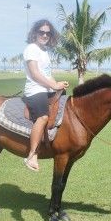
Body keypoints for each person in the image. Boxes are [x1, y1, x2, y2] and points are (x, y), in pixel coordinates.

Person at [22, 19, 69, 172]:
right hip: (35, 90)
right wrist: (53, 85)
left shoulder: (44, 52)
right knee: (43, 117)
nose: (45, 35)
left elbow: (47, 75)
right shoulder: (31, 48)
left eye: (48, 33)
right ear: (35, 33)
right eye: (42, 32)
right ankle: (32, 154)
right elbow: (35, 74)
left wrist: (58, 84)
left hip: (46, 89)